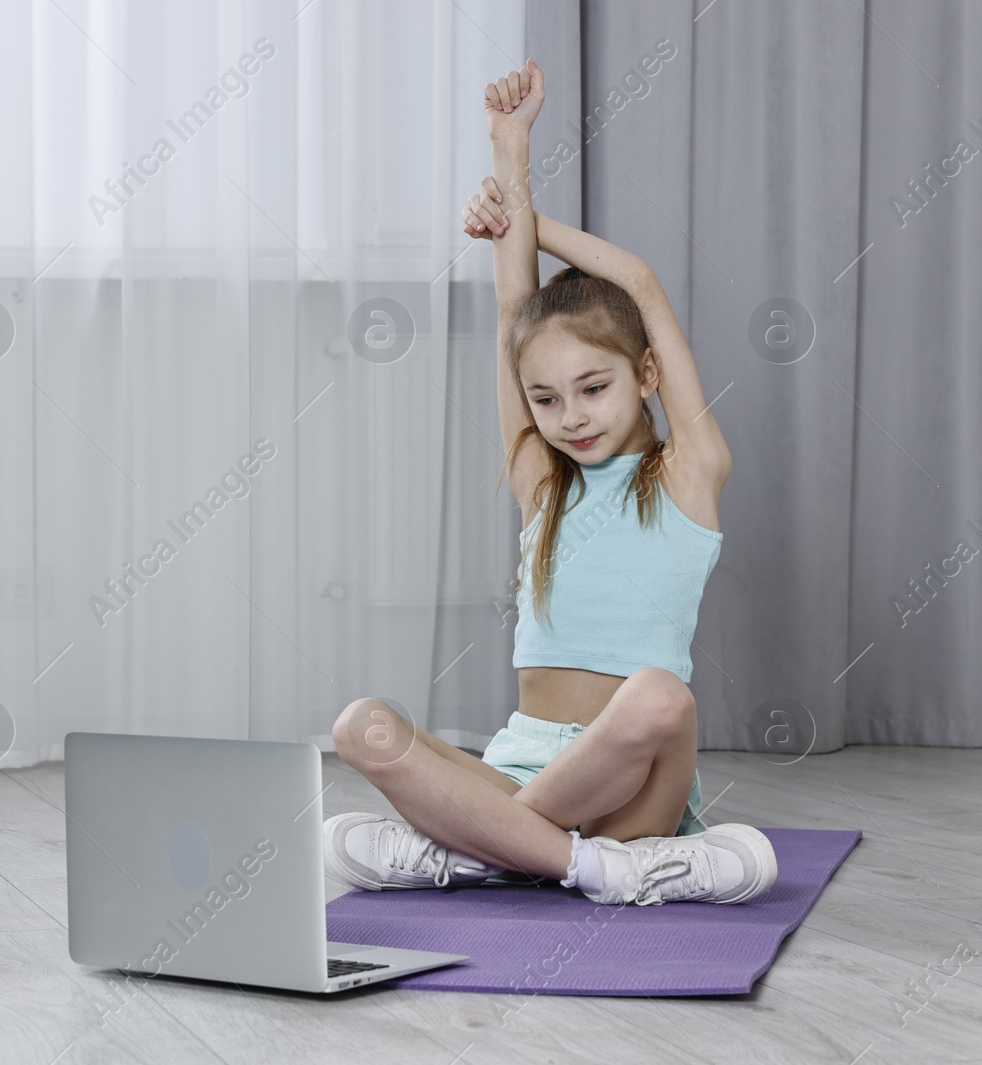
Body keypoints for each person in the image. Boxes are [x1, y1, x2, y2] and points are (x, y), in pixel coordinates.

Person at [322, 59, 777, 906]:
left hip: (638, 786)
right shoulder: (545, 483)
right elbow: (512, 314)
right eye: (545, 398)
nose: (569, 416)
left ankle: (482, 850)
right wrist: (508, 146)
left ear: (645, 372)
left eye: (593, 387)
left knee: (658, 695)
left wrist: (521, 207)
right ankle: (568, 861)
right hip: (522, 762)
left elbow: (638, 281)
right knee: (362, 726)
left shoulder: (689, 471)